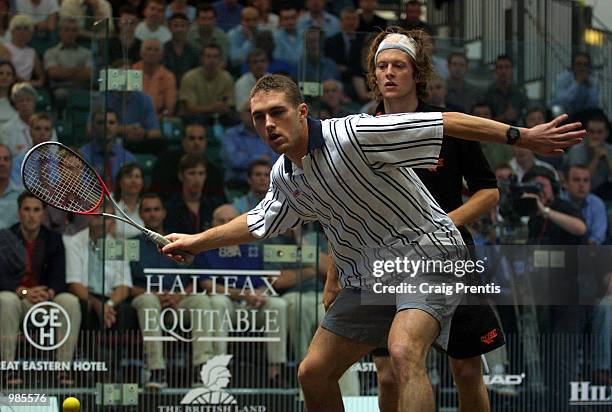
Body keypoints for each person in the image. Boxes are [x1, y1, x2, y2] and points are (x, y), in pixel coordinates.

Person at [161, 72, 584, 411]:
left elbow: (445, 122)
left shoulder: (356, 133)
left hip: (430, 254)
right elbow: (257, 222)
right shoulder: (284, 175)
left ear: (302, 111)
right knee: (313, 373)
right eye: (258, 117)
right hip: (369, 277)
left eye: (277, 112)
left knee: (405, 352)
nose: (268, 124)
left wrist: (522, 136)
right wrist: (198, 241)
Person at [324, 27, 505, 412]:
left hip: (450, 257)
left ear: (416, 73)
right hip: (382, 265)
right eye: (382, 66)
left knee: (467, 371)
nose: (389, 73)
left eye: (399, 66)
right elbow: (342, 207)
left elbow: (488, 192)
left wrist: (444, 226)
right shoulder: (359, 132)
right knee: (390, 373)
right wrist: (333, 275)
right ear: (373, 76)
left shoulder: (448, 125)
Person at [130, 192, 217, 388]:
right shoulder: (132, 244)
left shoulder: (178, 242)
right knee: (148, 301)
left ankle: (201, 369)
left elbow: (194, 280)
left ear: (164, 213)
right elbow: (125, 285)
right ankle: (156, 371)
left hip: (178, 303)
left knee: (201, 300)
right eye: (147, 210)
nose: (152, 214)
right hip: (149, 301)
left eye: (156, 209)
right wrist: (153, 294)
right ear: (141, 214)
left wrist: (180, 295)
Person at [195, 203, 288, 383]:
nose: (226, 224)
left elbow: (264, 281)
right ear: (212, 224)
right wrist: (243, 294)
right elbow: (207, 284)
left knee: (278, 305)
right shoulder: (204, 248)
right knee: (218, 301)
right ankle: (217, 369)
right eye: (221, 221)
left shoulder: (252, 247)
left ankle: (275, 371)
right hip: (227, 305)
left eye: (231, 220)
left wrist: (259, 294)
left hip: (251, 306)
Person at [0, 192, 81, 386]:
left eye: (36, 210)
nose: (31, 215)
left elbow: (60, 279)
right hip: (18, 301)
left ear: (43, 214)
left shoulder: (53, 239)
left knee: (70, 301)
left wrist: (48, 292)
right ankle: (7, 369)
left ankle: (62, 370)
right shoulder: (6, 239)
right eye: (27, 210)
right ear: (19, 213)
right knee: (5, 299)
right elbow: (1, 278)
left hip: (45, 300)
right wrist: (24, 292)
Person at [64, 203, 133, 331]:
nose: (102, 221)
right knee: (83, 308)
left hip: (109, 299)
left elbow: (124, 286)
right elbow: (74, 284)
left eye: (107, 218)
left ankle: (114, 351)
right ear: (88, 217)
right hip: (85, 297)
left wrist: (108, 305)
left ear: (112, 222)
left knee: (125, 312)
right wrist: (97, 305)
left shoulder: (119, 245)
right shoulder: (73, 242)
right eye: (98, 216)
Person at [150, 122, 224, 201]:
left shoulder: (213, 170)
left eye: (201, 138)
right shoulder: (165, 163)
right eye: (192, 138)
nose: (197, 143)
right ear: (183, 141)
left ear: (206, 142)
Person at [221, 101, 278, 187]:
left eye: (257, 112)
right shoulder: (230, 135)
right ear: (240, 114)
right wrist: (260, 158)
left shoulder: (271, 134)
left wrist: (246, 157)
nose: (253, 115)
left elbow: (276, 161)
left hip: (268, 184)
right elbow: (234, 161)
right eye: (248, 111)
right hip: (237, 185)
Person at [79, 108, 138, 190]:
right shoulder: (81, 156)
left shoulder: (128, 158)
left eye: (111, 122)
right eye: (101, 123)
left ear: (117, 126)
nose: (107, 126)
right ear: (92, 126)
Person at [164, 154, 223, 234]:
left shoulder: (215, 206)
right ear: (181, 176)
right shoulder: (170, 207)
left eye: (201, 173)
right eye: (191, 173)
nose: (197, 179)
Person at [43, 17, 92, 107]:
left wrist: (64, 73)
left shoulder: (87, 53)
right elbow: (54, 73)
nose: (70, 33)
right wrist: (78, 70)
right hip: (60, 89)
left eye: (74, 30)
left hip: (82, 88)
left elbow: (88, 74)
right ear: (60, 32)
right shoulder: (51, 52)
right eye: (67, 30)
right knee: (61, 94)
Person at [179, 44, 235, 121]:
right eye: (208, 56)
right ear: (201, 59)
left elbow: (229, 105)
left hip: (219, 118)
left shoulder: (226, 78)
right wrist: (212, 108)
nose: (212, 60)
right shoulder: (189, 77)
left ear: (220, 59)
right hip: (194, 118)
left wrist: (224, 108)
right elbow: (190, 108)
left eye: (215, 56)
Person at [561, 165, 607, 245]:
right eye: (576, 180)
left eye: (586, 180)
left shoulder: (597, 204)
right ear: (565, 183)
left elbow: (597, 237)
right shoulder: (558, 202)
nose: (581, 185)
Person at [131, 38, 177, 118]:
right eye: (148, 49)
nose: (152, 53)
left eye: (156, 50)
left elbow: (169, 109)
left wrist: (154, 120)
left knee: (169, 126)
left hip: (159, 119)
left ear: (161, 55)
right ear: (141, 53)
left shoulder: (169, 77)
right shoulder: (130, 72)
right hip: (132, 119)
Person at [566, 114, 612, 192]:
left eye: (599, 132)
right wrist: (596, 157)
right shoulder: (576, 150)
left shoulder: (610, 150)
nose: (595, 136)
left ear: (606, 133)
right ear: (586, 133)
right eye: (592, 132)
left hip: (604, 193)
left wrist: (607, 159)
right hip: (578, 193)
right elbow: (580, 181)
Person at [483, 55, 528, 125]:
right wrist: (503, 117)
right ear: (495, 70)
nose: (504, 71)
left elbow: (527, 115)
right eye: (500, 67)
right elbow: (483, 119)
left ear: (512, 70)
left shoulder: (520, 92)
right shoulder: (488, 93)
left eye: (507, 67)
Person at [3, 15, 45, 88]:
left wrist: (40, 82)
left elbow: (41, 75)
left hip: (25, 89)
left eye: (26, 29)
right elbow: (9, 72)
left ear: (30, 33)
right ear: (12, 32)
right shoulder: (4, 48)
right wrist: (27, 83)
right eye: (18, 28)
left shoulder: (32, 52)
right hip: (8, 86)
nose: (22, 32)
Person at [163, 12, 199, 88]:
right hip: (165, 90)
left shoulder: (195, 51)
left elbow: (198, 76)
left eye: (183, 26)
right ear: (169, 28)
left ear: (188, 27)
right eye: (175, 26)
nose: (179, 29)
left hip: (189, 91)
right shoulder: (161, 50)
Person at [113, 163, 145, 239]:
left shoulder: (147, 205)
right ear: (120, 182)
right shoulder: (109, 202)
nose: (133, 181)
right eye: (129, 177)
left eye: (137, 177)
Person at [0, 60, 17, 125]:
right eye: (1, 73)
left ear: (13, 79)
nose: (4, 77)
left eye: (8, 74)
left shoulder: (18, 102)